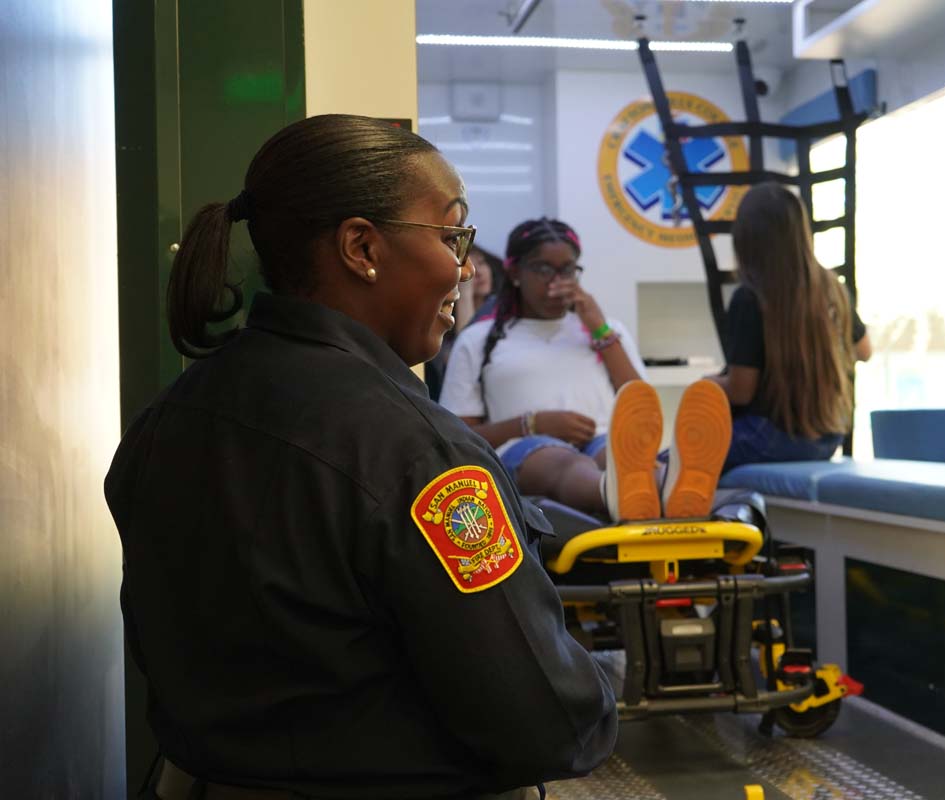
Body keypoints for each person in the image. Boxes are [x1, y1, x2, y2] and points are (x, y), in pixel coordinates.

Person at [104, 115, 617, 800]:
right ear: (361, 247)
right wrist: (607, 680)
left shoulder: (166, 422)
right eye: (452, 234)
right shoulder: (419, 453)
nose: (464, 269)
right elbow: (546, 723)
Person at [439, 218, 731, 522]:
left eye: (567, 270)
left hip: (605, 438)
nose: (556, 282)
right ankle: (623, 494)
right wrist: (531, 424)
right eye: (542, 269)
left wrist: (599, 327)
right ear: (514, 272)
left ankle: (674, 490)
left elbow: (640, 407)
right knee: (560, 461)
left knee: (619, 456)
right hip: (524, 447)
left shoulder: (606, 330)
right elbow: (460, 437)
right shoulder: (478, 339)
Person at [711, 182, 870, 472]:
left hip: (768, 437)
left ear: (746, 240)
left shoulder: (750, 296)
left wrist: (705, 384)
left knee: (668, 464)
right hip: (826, 437)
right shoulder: (832, 289)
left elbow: (741, 391)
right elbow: (865, 351)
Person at [424, 243, 501, 402]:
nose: (478, 272)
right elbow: (463, 357)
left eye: (482, 263)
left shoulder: (500, 311)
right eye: (463, 265)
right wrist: (464, 294)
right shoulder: (442, 321)